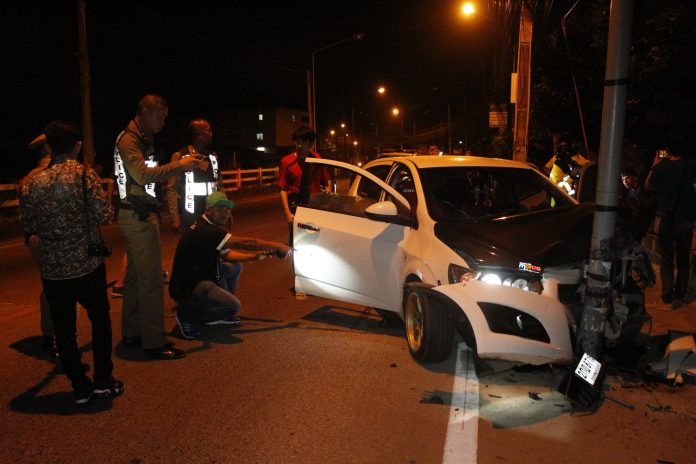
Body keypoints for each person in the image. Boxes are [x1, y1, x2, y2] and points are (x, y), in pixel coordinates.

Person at [19, 120, 122, 406]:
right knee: (100, 321)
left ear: (49, 147)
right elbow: (103, 216)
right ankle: (103, 380)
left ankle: (79, 385)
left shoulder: (33, 182)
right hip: (87, 264)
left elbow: (28, 223)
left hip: (54, 271)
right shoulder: (84, 176)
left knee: (65, 331)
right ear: (77, 146)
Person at [114, 94, 205, 360]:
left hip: (139, 212)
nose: (164, 121)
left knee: (133, 280)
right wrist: (180, 165)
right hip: (138, 215)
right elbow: (141, 175)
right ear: (145, 111)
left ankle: (131, 333)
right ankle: (154, 342)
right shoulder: (129, 140)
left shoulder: (141, 138)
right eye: (160, 115)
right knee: (152, 280)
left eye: (166, 116)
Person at [169, 191, 290, 339]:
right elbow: (245, 243)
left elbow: (227, 254)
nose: (226, 213)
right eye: (220, 209)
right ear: (208, 210)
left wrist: (254, 256)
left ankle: (219, 309)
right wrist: (277, 246)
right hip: (188, 288)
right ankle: (188, 316)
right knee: (233, 306)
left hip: (199, 278)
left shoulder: (205, 224)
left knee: (235, 267)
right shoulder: (206, 231)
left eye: (228, 209)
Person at [18, 132, 57, 357]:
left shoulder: (28, 177)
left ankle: (49, 335)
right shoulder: (52, 173)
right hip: (52, 237)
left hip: (34, 237)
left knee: (48, 284)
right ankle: (56, 336)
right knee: (59, 286)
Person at [644, 141, 696, 305]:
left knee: (667, 258)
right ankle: (680, 292)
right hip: (686, 219)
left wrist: (654, 165)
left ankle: (667, 294)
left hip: (666, 219)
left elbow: (647, 187)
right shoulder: (691, 165)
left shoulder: (661, 168)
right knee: (683, 259)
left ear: (666, 151)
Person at [166, 119, 223, 233]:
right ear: (199, 135)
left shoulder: (213, 157)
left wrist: (225, 211)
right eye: (208, 131)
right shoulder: (180, 156)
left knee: (211, 248)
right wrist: (175, 218)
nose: (211, 134)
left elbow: (219, 186)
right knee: (193, 249)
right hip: (190, 215)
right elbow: (172, 188)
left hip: (212, 213)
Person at [278, 125, 330, 245]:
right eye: (297, 142)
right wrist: (287, 213)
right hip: (296, 207)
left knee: (317, 240)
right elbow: (283, 189)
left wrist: (325, 203)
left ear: (311, 143)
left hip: (315, 205)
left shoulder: (317, 159)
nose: (299, 146)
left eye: (304, 142)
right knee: (296, 242)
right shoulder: (287, 161)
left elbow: (327, 182)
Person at [618, 167, 656, 244]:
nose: (625, 181)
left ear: (635, 178)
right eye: (623, 180)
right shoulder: (631, 190)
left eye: (627, 178)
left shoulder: (640, 190)